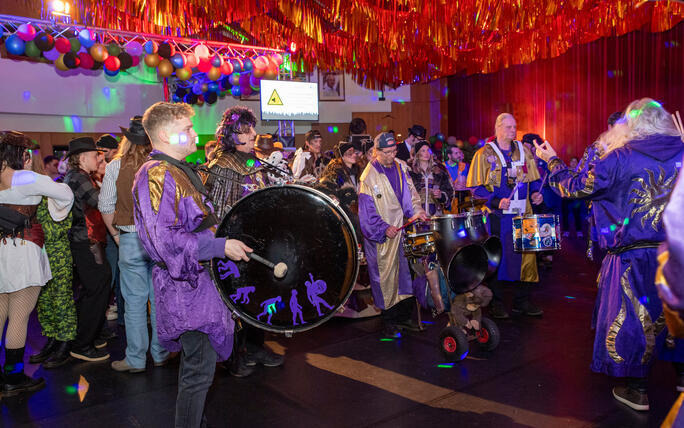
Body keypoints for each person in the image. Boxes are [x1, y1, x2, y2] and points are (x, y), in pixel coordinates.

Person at [538, 98, 684, 411]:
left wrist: (552, 161)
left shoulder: (620, 157)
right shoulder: (682, 151)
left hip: (635, 256)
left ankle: (637, 388)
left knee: (635, 317)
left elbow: (574, 187)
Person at [133, 102, 251, 427]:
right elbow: (164, 241)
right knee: (198, 374)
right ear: (167, 134)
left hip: (198, 287)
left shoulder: (175, 170)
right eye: (187, 129)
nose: (194, 137)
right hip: (186, 291)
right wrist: (218, 245)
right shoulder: (157, 175)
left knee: (198, 371)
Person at [204, 107, 283, 378]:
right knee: (233, 302)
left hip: (258, 243)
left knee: (258, 298)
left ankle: (255, 346)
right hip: (232, 246)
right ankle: (232, 355)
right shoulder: (222, 165)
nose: (253, 135)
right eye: (246, 131)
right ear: (231, 134)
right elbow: (215, 210)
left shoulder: (255, 160)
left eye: (252, 129)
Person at [0, 130, 74, 395]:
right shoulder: (26, 178)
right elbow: (65, 193)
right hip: (22, 252)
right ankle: (14, 378)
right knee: (19, 318)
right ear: (20, 154)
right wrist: (55, 212)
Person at [99, 116, 170, 373]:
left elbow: (105, 205)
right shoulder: (162, 165)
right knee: (159, 300)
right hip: (159, 241)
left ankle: (136, 359)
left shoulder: (115, 166)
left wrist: (117, 237)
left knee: (134, 303)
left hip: (130, 240)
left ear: (126, 140)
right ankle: (160, 353)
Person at [466, 113, 544, 319]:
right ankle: (496, 302)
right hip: (498, 217)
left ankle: (522, 301)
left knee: (527, 257)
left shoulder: (524, 151)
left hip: (524, 213)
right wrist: (495, 200)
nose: (513, 131)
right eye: (509, 127)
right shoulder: (484, 154)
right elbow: (475, 187)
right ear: (498, 128)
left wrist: (536, 192)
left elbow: (534, 178)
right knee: (497, 259)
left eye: (514, 127)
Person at [359, 132, 428, 337]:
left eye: (393, 151)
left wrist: (417, 211)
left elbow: (411, 194)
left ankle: (405, 317)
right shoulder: (368, 177)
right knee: (385, 279)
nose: (391, 155)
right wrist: (382, 228)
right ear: (376, 151)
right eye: (386, 152)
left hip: (402, 230)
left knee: (406, 274)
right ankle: (389, 320)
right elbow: (367, 212)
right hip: (383, 237)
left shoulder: (400, 167)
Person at [63, 136, 112, 362]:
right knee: (98, 288)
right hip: (85, 241)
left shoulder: (80, 176)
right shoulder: (79, 178)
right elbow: (101, 202)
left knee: (96, 287)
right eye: (95, 155)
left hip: (87, 241)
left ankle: (87, 337)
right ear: (82, 158)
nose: (98, 158)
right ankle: (82, 344)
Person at [409, 140, 453, 216]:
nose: (426, 153)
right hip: (417, 216)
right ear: (417, 154)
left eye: (428, 150)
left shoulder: (439, 171)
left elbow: (450, 192)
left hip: (436, 216)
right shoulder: (410, 173)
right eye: (423, 151)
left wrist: (441, 195)